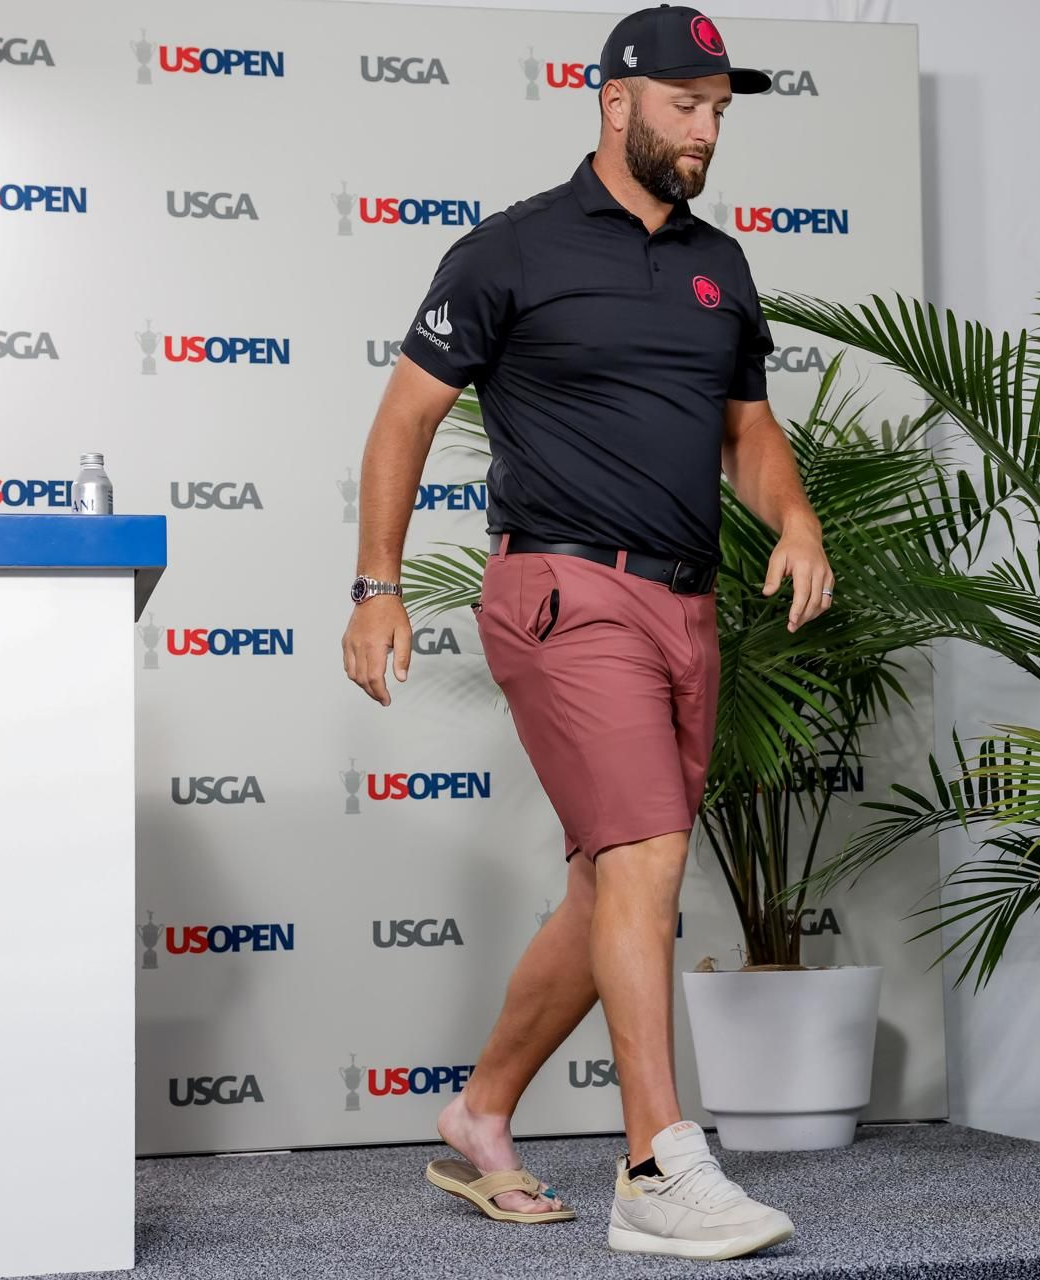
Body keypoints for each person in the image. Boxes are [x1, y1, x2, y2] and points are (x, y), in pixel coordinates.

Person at [340, 3, 831, 1262]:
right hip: (562, 590)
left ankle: (480, 1106)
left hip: (685, 601)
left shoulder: (723, 261)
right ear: (614, 103)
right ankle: (659, 1161)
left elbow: (749, 429)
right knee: (652, 857)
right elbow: (404, 420)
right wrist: (376, 583)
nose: (706, 129)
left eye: (719, 109)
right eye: (685, 105)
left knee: (608, 879)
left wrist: (795, 519)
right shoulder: (509, 251)